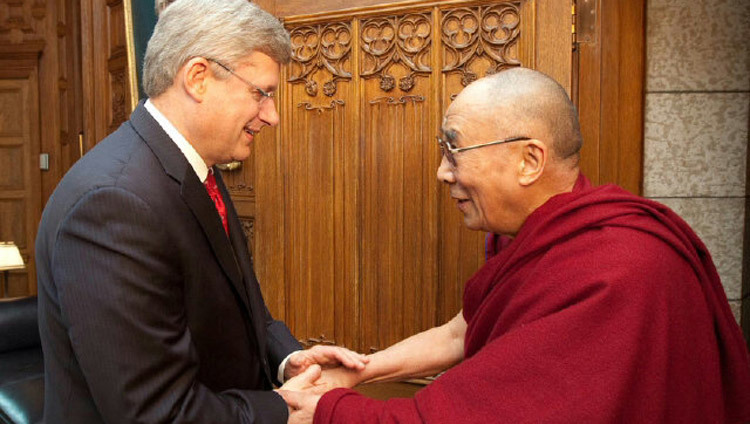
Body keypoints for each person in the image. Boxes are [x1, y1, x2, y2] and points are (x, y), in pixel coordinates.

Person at [278, 68, 750, 423]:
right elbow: (461, 333)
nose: (443, 173)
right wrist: (360, 371)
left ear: (529, 160)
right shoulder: (534, 235)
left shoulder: (623, 269)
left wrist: (333, 411)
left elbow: (477, 417)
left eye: (454, 151)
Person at [35, 1, 367, 423]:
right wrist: (285, 410)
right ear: (198, 78)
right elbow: (156, 413)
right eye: (261, 93)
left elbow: (237, 308)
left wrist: (287, 360)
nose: (272, 115)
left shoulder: (193, 165)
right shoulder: (112, 204)